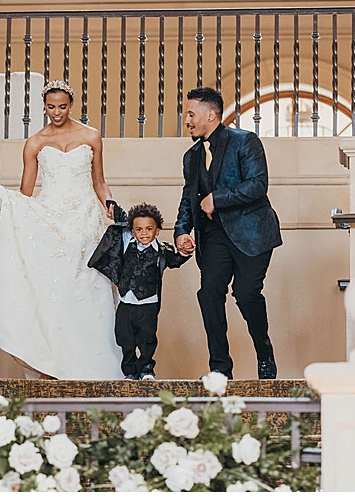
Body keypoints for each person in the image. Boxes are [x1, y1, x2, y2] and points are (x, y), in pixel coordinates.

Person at [0, 80, 125, 380]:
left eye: (62, 106)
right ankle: (54, 362)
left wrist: (109, 202)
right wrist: (9, 203)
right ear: (44, 106)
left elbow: (100, 181)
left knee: (89, 288)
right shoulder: (34, 142)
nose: (57, 112)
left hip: (86, 220)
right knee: (54, 290)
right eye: (51, 107)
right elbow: (26, 193)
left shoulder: (91, 136)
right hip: (51, 220)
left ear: (71, 104)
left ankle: (95, 366)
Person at [173, 87, 283, 380]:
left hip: (252, 233)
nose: (187, 120)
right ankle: (220, 369)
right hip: (214, 237)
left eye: (191, 114)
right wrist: (181, 231)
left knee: (246, 294)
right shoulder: (191, 156)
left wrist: (216, 198)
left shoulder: (245, 141)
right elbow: (188, 197)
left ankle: (264, 353)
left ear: (211, 115)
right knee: (209, 294)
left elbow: (258, 184)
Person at [88, 202, 192, 380]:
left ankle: (146, 368)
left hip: (148, 304)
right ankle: (130, 371)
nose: (144, 233)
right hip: (126, 302)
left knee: (147, 338)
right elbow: (122, 220)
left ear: (157, 230)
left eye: (149, 229)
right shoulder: (127, 242)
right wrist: (113, 207)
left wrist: (185, 253)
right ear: (133, 231)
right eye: (139, 229)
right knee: (124, 338)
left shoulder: (162, 250)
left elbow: (174, 261)